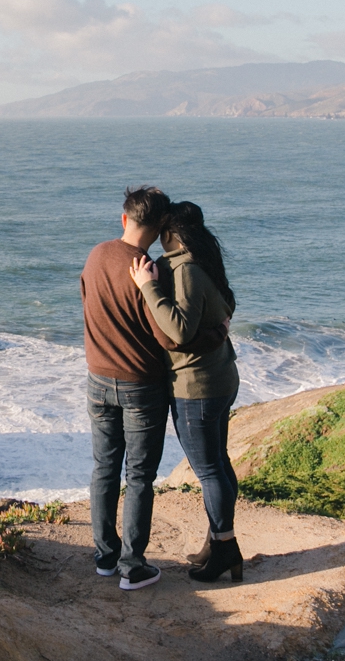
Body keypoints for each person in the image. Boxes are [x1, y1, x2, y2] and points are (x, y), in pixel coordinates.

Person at [130, 200, 243, 583]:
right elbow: (227, 305)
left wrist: (147, 286)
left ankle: (225, 546)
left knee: (209, 470)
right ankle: (218, 541)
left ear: (170, 234)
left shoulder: (185, 269)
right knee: (219, 463)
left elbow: (177, 330)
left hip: (196, 388)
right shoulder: (205, 260)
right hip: (220, 379)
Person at [79, 185, 173, 590]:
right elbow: (166, 337)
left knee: (104, 468)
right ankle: (132, 567)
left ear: (125, 219)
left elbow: (87, 301)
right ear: (160, 228)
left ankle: (105, 556)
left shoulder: (97, 254)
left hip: (98, 380)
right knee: (138, 475)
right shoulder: (149, 270)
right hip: (141, 385)